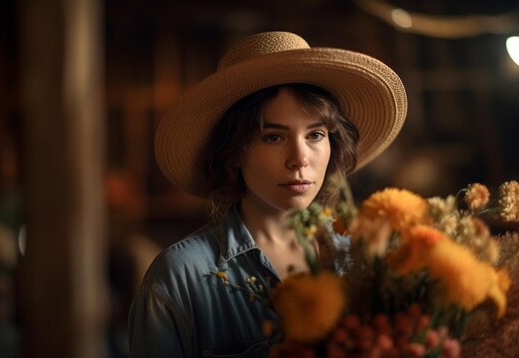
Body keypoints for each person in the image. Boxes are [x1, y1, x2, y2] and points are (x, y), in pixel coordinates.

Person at [128, 31, 407, 357]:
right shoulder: (181, 278)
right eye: (273, 137)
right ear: (233, 152)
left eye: (315, 134)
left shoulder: (366, 258)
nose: (300, 158)